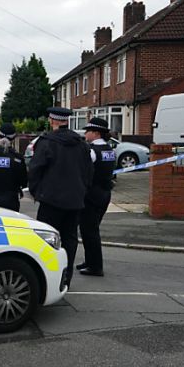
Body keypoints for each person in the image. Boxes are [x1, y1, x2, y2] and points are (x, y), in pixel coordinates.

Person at [28, 106, 93, 286]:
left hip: (51, 201)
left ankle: (47, 280)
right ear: (66, 120)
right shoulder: (81, 144)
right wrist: (82, 192)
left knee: (46, 240)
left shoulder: (46, 142)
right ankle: (66, 278)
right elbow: (89, 173)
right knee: (70, 240)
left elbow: (35, 169)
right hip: (75, 202)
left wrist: (35, 191)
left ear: (52, 120)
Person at [77, 118, 115, 277]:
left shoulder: (91, 151)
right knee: (91, 228)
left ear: (96, 133)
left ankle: (95, 266)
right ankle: (90, 260)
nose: (85, 133)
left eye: (88, 131)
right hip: (104, 193)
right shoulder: (109, 150)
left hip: (91, 194)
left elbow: (83, 171)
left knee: (89, 230)